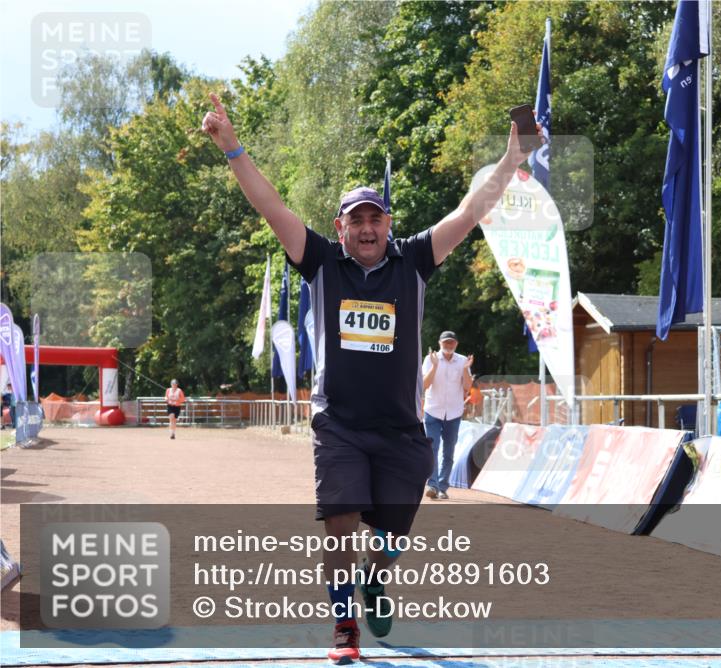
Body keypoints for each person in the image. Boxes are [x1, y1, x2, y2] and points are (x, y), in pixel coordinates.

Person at [201, 92, 540, 663]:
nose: (365, 228)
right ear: (340, 227)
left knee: (390, 537)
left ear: (387, 225)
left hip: (403, 430)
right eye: (354, 219)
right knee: (339, 520)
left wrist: (511, 160)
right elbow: (272, 208)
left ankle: (375, 577)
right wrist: (232, 146)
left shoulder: (414, 261)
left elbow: (470, 211)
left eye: (374, 218)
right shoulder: (320, 262)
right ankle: (344, 626)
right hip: (340, 425)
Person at [422, 331, 473, 500]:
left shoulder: (463, 361)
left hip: (454, 412)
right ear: (439, 343)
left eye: (451, 342)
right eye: (446, 342)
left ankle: (443, 486)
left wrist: (465, 369)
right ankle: (433, 485)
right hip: (433, 411)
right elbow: (425, 385)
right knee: (432, 448)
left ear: (456, 344)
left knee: (449, 452)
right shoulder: (430, 359)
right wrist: (435, 366)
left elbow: (467, 387)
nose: (448, 345)